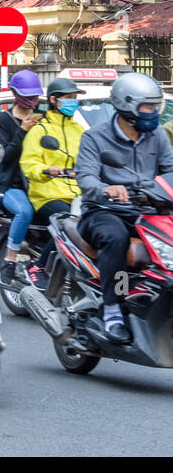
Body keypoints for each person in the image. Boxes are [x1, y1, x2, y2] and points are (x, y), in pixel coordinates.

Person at [74, 72, 173, 343]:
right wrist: (106, 189)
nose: (153, 113)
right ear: (127, 105)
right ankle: (113, 309)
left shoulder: (157, 137)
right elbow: (86, 176)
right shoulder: (95, 138)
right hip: (104, 212)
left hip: (149, 211)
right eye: (148, 107)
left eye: (156, 107)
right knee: (115, 239)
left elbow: (170, 170)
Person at [0, 76, 82, 288]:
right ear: (54, 100)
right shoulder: (38, 129)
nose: (73, 102)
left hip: (78, 193)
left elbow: (91, 159)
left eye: (75, 98)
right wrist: (46, 170)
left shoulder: (79, 130)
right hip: (46, 191)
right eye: (68, 98)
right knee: (67, 223)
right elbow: (27, 163)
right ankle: (37, 266)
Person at [0, 70, 45, 285]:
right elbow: (5, 158)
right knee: (24, 211)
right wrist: (22, 130)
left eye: (35, 97)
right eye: (28, 96)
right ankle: (10, 260)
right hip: (10, 186)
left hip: (39, 181)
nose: (32, 101)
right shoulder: (2, 121)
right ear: (15, 94)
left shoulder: (42, 116)